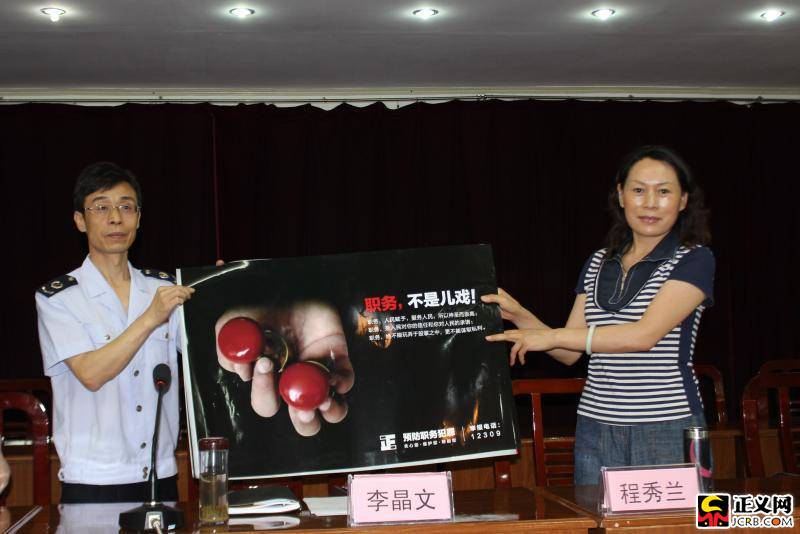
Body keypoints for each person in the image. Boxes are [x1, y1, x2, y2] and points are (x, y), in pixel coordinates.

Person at [484, 145, 714, 484]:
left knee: (674, 515)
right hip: (596, 425)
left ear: (683, 201)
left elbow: (643, 336)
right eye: (639, 190)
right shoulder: (598, 261)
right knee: (595, 513)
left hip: (667, 423)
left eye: (664, 192)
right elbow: (569, 352)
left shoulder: (694, 259)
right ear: (621, 196)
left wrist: (551, 335)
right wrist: (520, 315)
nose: (650, 203)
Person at [35, 162, 194, 503]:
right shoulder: (59, 298)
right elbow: (91, 374)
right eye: (101, 207)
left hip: (160, 473)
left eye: (126, 207)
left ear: (139, 218)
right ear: (80, 220)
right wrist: (150, 318)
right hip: (93, 478)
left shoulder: (164, 288)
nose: (115, 218)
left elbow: (207, 354)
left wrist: (224, 294)